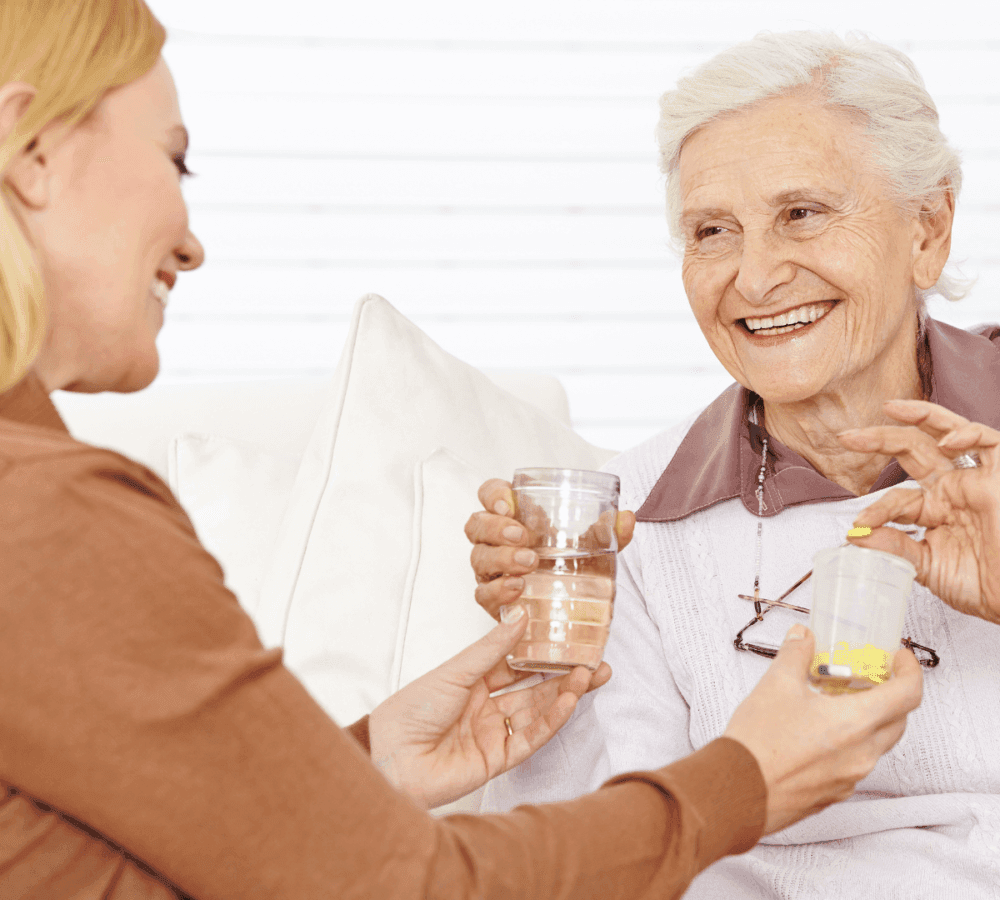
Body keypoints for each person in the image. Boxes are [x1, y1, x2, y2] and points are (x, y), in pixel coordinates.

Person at [0, 5, 928, 898]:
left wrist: (362, 768)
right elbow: (413, 889)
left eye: (803, 213)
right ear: (32, 152)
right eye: (177, 161)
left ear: (929, 230)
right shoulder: (50, 516)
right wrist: (749, 777)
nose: (193, 241)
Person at [467, 31, 1000, 898]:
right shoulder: (634, 522)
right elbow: (616, 849)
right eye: (713, 231)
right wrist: (541, 658)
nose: (755, 278)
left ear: (927, 230)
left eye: (803, 213)